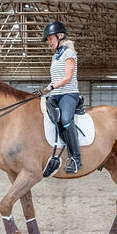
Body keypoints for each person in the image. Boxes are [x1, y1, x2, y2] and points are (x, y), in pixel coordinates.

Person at [41, 21, 82, 174]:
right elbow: (55, 78)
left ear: (59, 36)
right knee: (47, 116)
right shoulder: (55, 57)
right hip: (55, 95)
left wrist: (51, 86)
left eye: (50, 38)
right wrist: (46, 89)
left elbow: (68, 78)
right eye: (47, 40)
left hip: (68, 94)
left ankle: (76, 158)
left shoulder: (69, 54)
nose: (48, 42)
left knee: (65, 120)